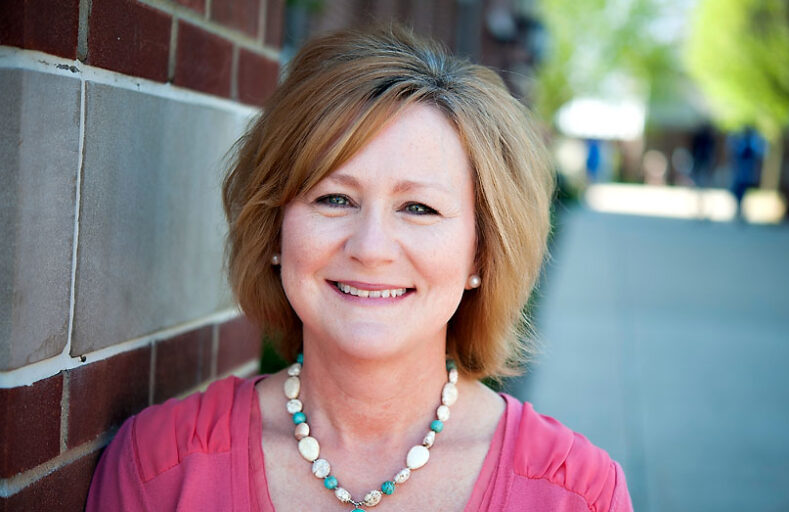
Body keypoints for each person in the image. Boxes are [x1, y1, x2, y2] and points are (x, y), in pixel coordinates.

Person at [86, 26, 632, 511]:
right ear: (275, 229)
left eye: (418, 208)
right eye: (333, 199)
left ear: (481, 254)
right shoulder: (161, 469)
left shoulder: (576, 495)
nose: (371, 248)